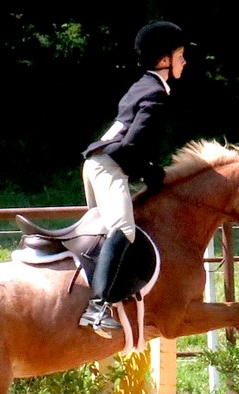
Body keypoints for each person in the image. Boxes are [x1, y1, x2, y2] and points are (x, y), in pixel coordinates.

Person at [78, 20, 189, 336]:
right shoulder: (156, 94)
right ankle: (97, 309)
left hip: (96, 163)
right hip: (110, 165)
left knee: (104, 234)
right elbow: (131, 145)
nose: (184, 61)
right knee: (123, 230)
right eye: (180, 55)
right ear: (164, 60)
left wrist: (146, 168)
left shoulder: (141, 85)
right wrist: (148, 170)